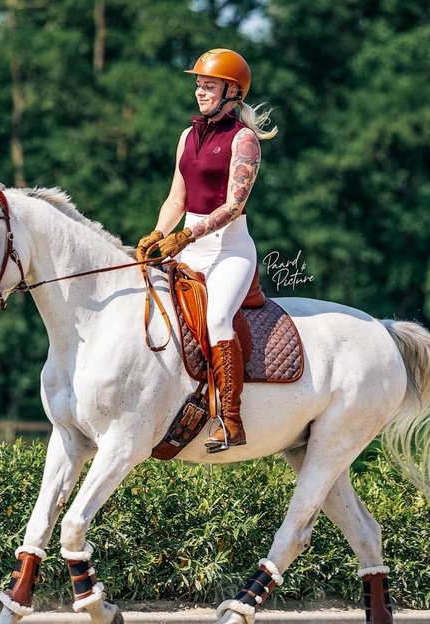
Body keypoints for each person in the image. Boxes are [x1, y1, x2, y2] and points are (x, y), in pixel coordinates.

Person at [139, 47, 278, 453]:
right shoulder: (188, 135)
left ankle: (230, 420)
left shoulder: (245, 140)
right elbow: (175, 199)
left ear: (232, 91)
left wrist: (185, 236)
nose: (200, 91)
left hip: (229, 249)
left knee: (217, 319)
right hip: (187, 245)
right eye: (198, 84)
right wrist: (158, 232)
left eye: (209, 85)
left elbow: (234, 205)